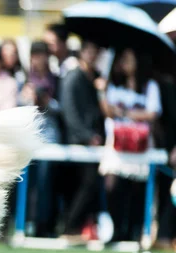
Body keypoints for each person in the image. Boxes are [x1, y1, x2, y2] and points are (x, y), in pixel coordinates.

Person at [99, 48, 162, 242]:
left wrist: (125, 114)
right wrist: (101, 89)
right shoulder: (114, 84)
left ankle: (133, 231)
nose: (125, 63)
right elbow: (108, 111)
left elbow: (153, 113)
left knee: (137, 189)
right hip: (117, 144)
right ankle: (117, 229)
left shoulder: (149, 86)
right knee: (112, 185)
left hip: (140, 145)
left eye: (129, 59)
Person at [59, 40, 105, 241]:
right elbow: (69, 112)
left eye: (95, 51)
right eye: (89, 51)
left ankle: (77, 227)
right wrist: (86, 135)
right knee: (86, 184)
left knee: (87, 185)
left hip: (93, 141)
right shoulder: (73, 77)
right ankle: (70, 227)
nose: (92, 55)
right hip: (78, 141)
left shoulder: (96, 78)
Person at [20, 41, 61, 237]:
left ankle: (44, 223)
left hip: (49, 136)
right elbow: (17, 107)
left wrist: (47, 102)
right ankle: (26, 221)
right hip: (28, 135)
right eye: (34, 55)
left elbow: (62, 109)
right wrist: (28, 99)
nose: (38, 59)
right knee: (28, 181)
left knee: (46, 182)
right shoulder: (25, 79)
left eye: (41, 54)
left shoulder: (57, 79)